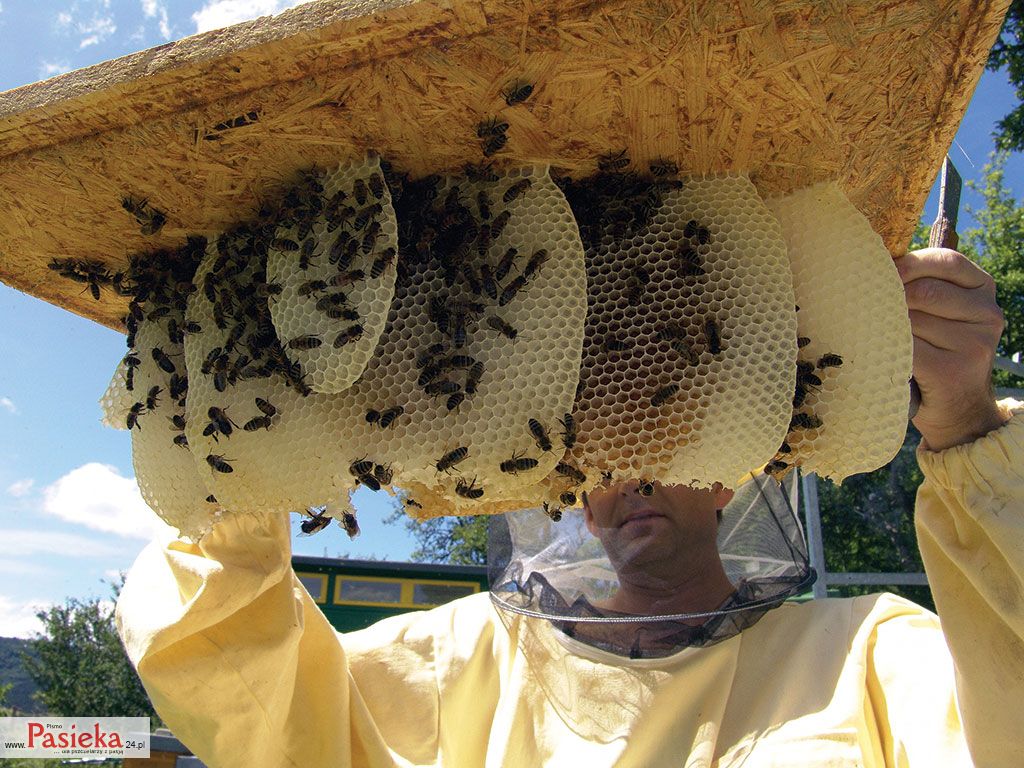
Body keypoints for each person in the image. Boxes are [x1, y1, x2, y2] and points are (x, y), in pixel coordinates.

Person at [116, 247, 1022, 767]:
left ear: (725, 475)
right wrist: (235, 473)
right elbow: (246, 693)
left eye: (657, 443)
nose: (625, 476)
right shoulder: (452, 658)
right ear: (573, 505)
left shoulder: (865, 651)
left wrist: (968, 424)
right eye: (596, 460)